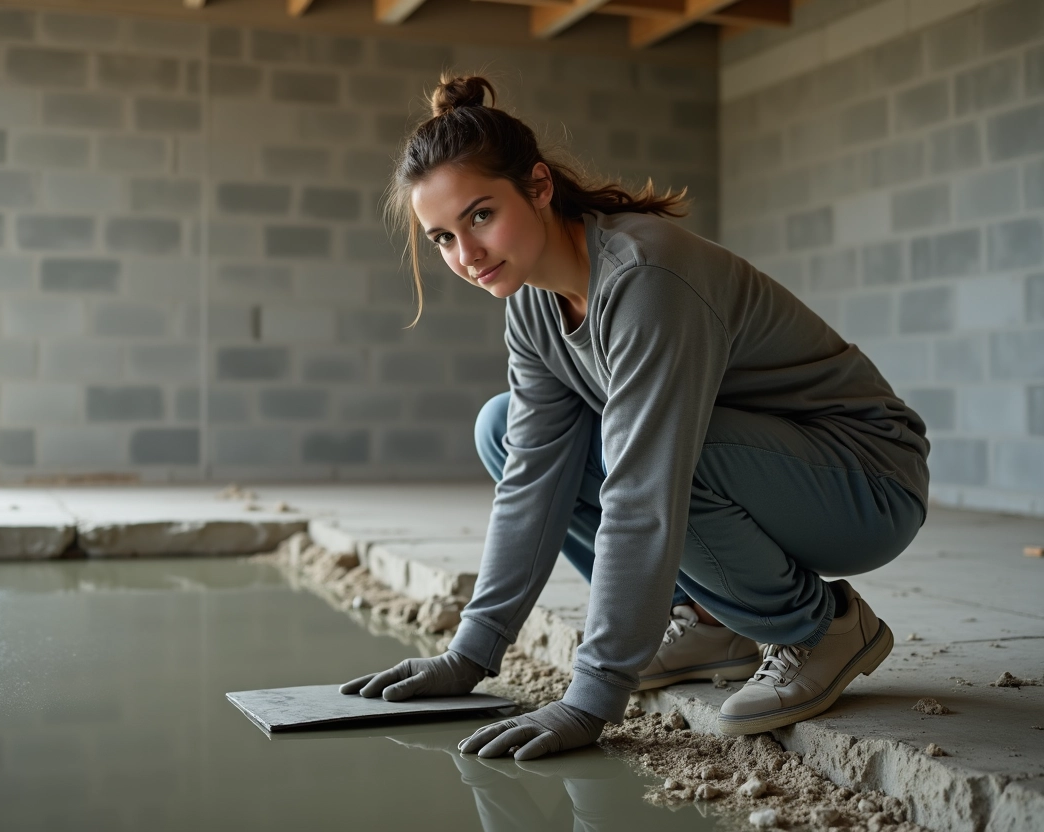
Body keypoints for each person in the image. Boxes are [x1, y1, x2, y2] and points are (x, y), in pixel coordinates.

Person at [341, 74, 929, 761]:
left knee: (650, 455)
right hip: (757, 470)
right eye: (441, 237)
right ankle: (712, 620)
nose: (466, 257)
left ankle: (818, 628)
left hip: (863, 482)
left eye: (480, 216)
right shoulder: (533, 305)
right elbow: (533, 480)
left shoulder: (646, 277)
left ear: (538, 186)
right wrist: (471, 654)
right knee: (502, 429)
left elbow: (642, 493)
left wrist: (593, 697)